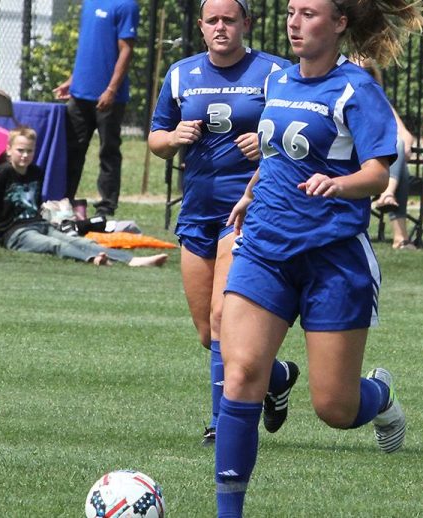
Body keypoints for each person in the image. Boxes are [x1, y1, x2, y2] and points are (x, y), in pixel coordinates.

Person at [214, 0, 423, 515]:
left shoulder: (356, 88)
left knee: (335, 408)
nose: (294, 21)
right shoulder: (279, 81)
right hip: (265, 248)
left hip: (332, 259)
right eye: (291, 10)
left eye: (309, 12)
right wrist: (250, 192)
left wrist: (340, 183)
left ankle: (381, 398)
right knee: (241, 375)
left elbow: (378, 172)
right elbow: (276, 155)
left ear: (339, 24)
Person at [148, 0, 300, 446]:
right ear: (200, 27)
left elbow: (298, 134)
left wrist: (266, 143)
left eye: (229, 20)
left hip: (249, 211)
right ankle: (276, 375)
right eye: (212, 20)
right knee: (207, 333)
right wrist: (173, 138)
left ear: (246, 24)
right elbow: (157, 137)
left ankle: (222, 424)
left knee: (221, 318)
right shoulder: (180, 74)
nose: (220, 27)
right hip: (197, 213)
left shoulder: (275, 73)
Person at [0, 126, 168, 267]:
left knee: (81, 241)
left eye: (29, 151)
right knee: (55, 245)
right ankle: (94, 260)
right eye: (20, 150)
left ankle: (131, 260)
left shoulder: (36, 172)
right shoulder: (2, 173)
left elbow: (34, 206)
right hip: (13, 234)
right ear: (8, 150)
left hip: (38, 225)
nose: (25, 155)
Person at [53, 0, 139, 217]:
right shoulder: (89, 3)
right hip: (80, 93)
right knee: (72, 149)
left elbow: (126, 50)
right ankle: (64, 200)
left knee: (108, 151)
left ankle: (106, 206)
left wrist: (111, 89)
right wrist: (72, 81)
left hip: (108, 97)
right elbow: (89, 47)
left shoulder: (126, 5)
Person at [359, 59, 417, 250]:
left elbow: (406, 136)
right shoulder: (343, 100)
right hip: (355, 163)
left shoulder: (380, 102)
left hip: (378, 165)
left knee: (399, 146)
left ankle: (387, 194)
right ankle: (400, 237)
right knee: (398, 154)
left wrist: (405, 146)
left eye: (369, 74)